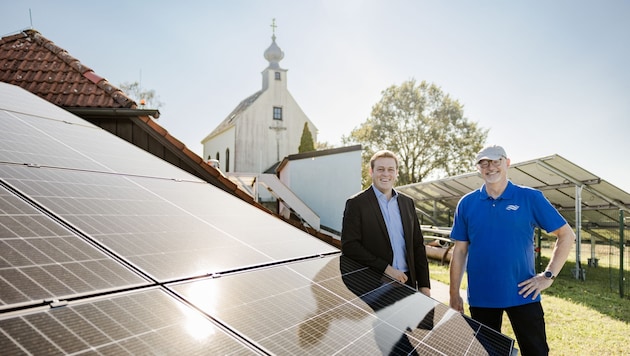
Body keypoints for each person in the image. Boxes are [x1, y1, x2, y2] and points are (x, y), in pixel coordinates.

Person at [449, 145, 575, 356]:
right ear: (478, 168)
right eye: (484, 163)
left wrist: (548, 275)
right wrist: (454, 294)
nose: (490, 167)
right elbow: (459, 251)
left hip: (524, 294)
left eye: (496, 161)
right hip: (482, 297)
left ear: (507, 163)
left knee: (536, 352)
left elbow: (566, 235)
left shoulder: (530, 197)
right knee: (487, 353)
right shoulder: (467, 203)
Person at [341, 149, 431, 296]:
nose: (385, 174)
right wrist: (386, 269)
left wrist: (424, 285)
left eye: (390, 169)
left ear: (396, 173)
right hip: (375, 284)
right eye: (380, 169)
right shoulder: (356, 203)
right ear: (371, 171)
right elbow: (350, 246)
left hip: (407, 282)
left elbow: (417, 246)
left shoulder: (407, 203)